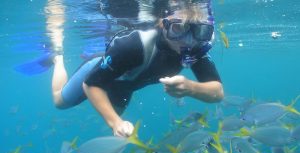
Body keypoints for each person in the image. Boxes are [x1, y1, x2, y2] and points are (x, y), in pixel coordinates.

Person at [51, 0, 224, 138]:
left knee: (119, 135)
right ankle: (58, 56)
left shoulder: (195, 49)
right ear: (162, 23)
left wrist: (192, 88)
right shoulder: (133, 45)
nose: (186, 41)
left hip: (126, 87)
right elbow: (91, 85)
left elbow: (217, 92)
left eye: (199, 31)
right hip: (104, 72)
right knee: (60, 102)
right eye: (178, 28)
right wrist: (115, 123)